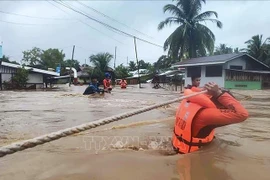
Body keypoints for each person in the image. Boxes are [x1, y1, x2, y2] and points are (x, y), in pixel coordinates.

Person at [172, 82, 249, 154]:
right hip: (193, 156)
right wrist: (218, 93)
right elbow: (242, 114)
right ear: (220, 104)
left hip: (178, 147)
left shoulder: (192, 103)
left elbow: (195, 90)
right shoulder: (206, 115)